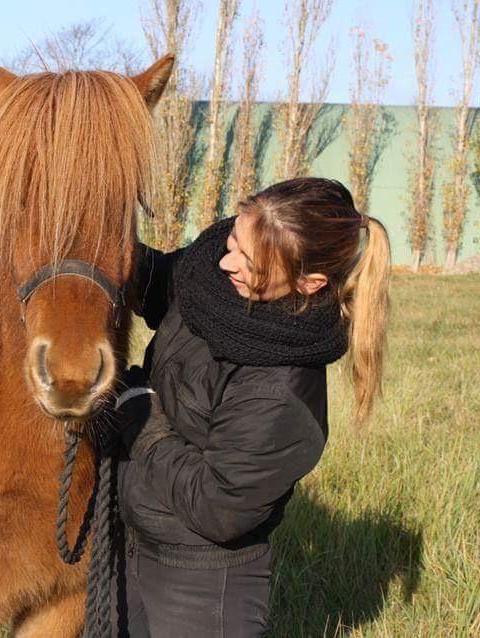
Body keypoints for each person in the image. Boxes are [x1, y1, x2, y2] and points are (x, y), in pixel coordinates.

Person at [110, 177, 391, 637]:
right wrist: (100, 245)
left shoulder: (283, 392)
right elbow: (167, 283)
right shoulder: (214, 276)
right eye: (233, 241)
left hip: (199, 583)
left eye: (249, 261)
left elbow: (216, 505)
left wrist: (139, 415)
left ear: (309, 282)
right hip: (129, 544)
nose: (226, 262)